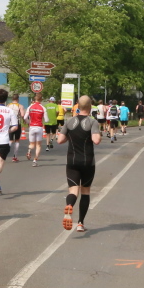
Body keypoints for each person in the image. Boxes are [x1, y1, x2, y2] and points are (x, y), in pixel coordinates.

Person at [57, 95, 102, 232]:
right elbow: (96, 140)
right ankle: (80, 223)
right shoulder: (92, 122)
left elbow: (60, 140)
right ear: (90, 106)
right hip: (87, 161)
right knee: (85, 191)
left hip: (72, 161)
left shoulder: (69, 121)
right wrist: (98, 133)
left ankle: (70, 205)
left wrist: (70, 135)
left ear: (78, 106)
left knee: (73, 190)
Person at [24, 93, 48, 167]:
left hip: (32, 127)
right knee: (38, 145)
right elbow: (46, 120)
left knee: (31, 144)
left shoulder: (30, 107)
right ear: (41, 99)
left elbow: (25, 117)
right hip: (39, 127)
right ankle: (35, 160)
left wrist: (29, 122)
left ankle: (29, 151)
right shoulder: (43, 108)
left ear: (35, 99)